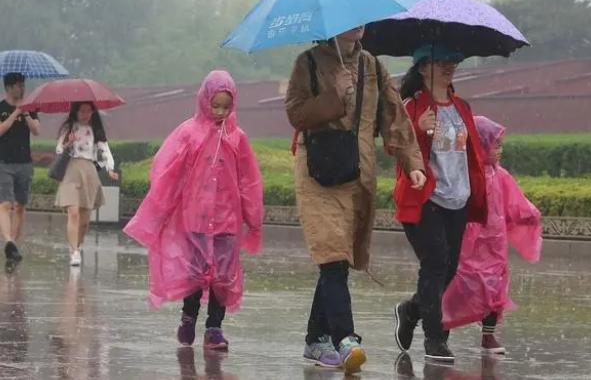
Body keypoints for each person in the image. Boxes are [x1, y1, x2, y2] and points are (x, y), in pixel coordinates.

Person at [285, 26, 426, 373]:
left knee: (339, 259)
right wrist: (333, 99)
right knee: (331, 254)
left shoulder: (372, 66)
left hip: (358, 174)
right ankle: (346, 340)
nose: (358, 23)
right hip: (317, 173)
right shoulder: (308, 62)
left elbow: (395, 117)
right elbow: (296, 113)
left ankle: (314, 340)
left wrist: (412, 163)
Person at [124, 70, 263, 352]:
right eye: (216, 105)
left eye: (226, 106)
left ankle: (214, 328)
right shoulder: (190, 133)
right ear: (204, 101)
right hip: (196, 219)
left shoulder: (238, 138)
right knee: (197, 275)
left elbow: (249, 180)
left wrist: (253, 216)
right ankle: (189, 317)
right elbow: (169, 172)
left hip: (227, 221)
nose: (221, 112)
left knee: (223, 278)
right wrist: (161, 206)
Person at [393, 44, 487, 363]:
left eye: (453, 61)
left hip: (457, 199)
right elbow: (394, 146)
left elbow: (471, 155)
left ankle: (411, 310)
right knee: (434, 265)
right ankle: (435, 338)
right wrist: (417, 131)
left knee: (449, 268)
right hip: (424, 199)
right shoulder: (412, 106)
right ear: (422, 67)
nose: (449, 66)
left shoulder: (461, 107)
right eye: (440, 61)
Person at [441, 116, 542, 354]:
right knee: (458, 285)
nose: (499, 151)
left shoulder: (501, 176)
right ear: (480, 144)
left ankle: (488, 336)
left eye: (500, 145)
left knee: (494, 288)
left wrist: (528, 215)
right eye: (495, 145)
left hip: (494, 244)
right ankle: (441, 330)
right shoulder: (466, 175)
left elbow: (514, 202)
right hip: (468, 242)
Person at [55, 102, 118, 266]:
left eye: (88, 111)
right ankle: (74, 251)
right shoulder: (68, 128)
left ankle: (77, 245)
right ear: (75, 112)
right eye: (82, 111)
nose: (85, 114)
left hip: (89, 170)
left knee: (84, 219)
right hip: (71, 170)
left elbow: (104, 149)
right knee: (73, 212)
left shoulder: (95, 130)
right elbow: (59, 150)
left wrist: (110, 168)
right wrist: (68, 143)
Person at [0, 73, 40, 264]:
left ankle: (13, 245)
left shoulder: (30, 107)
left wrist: (24, 112)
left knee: (21, 205)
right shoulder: (1, 107)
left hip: (24, 162)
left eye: (23, 85)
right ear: (8, 87)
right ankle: (8, 240)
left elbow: (36, 130)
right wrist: (15, 113)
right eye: (18, 85)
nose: (22, 88)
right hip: (3, 163)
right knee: (5, 204)